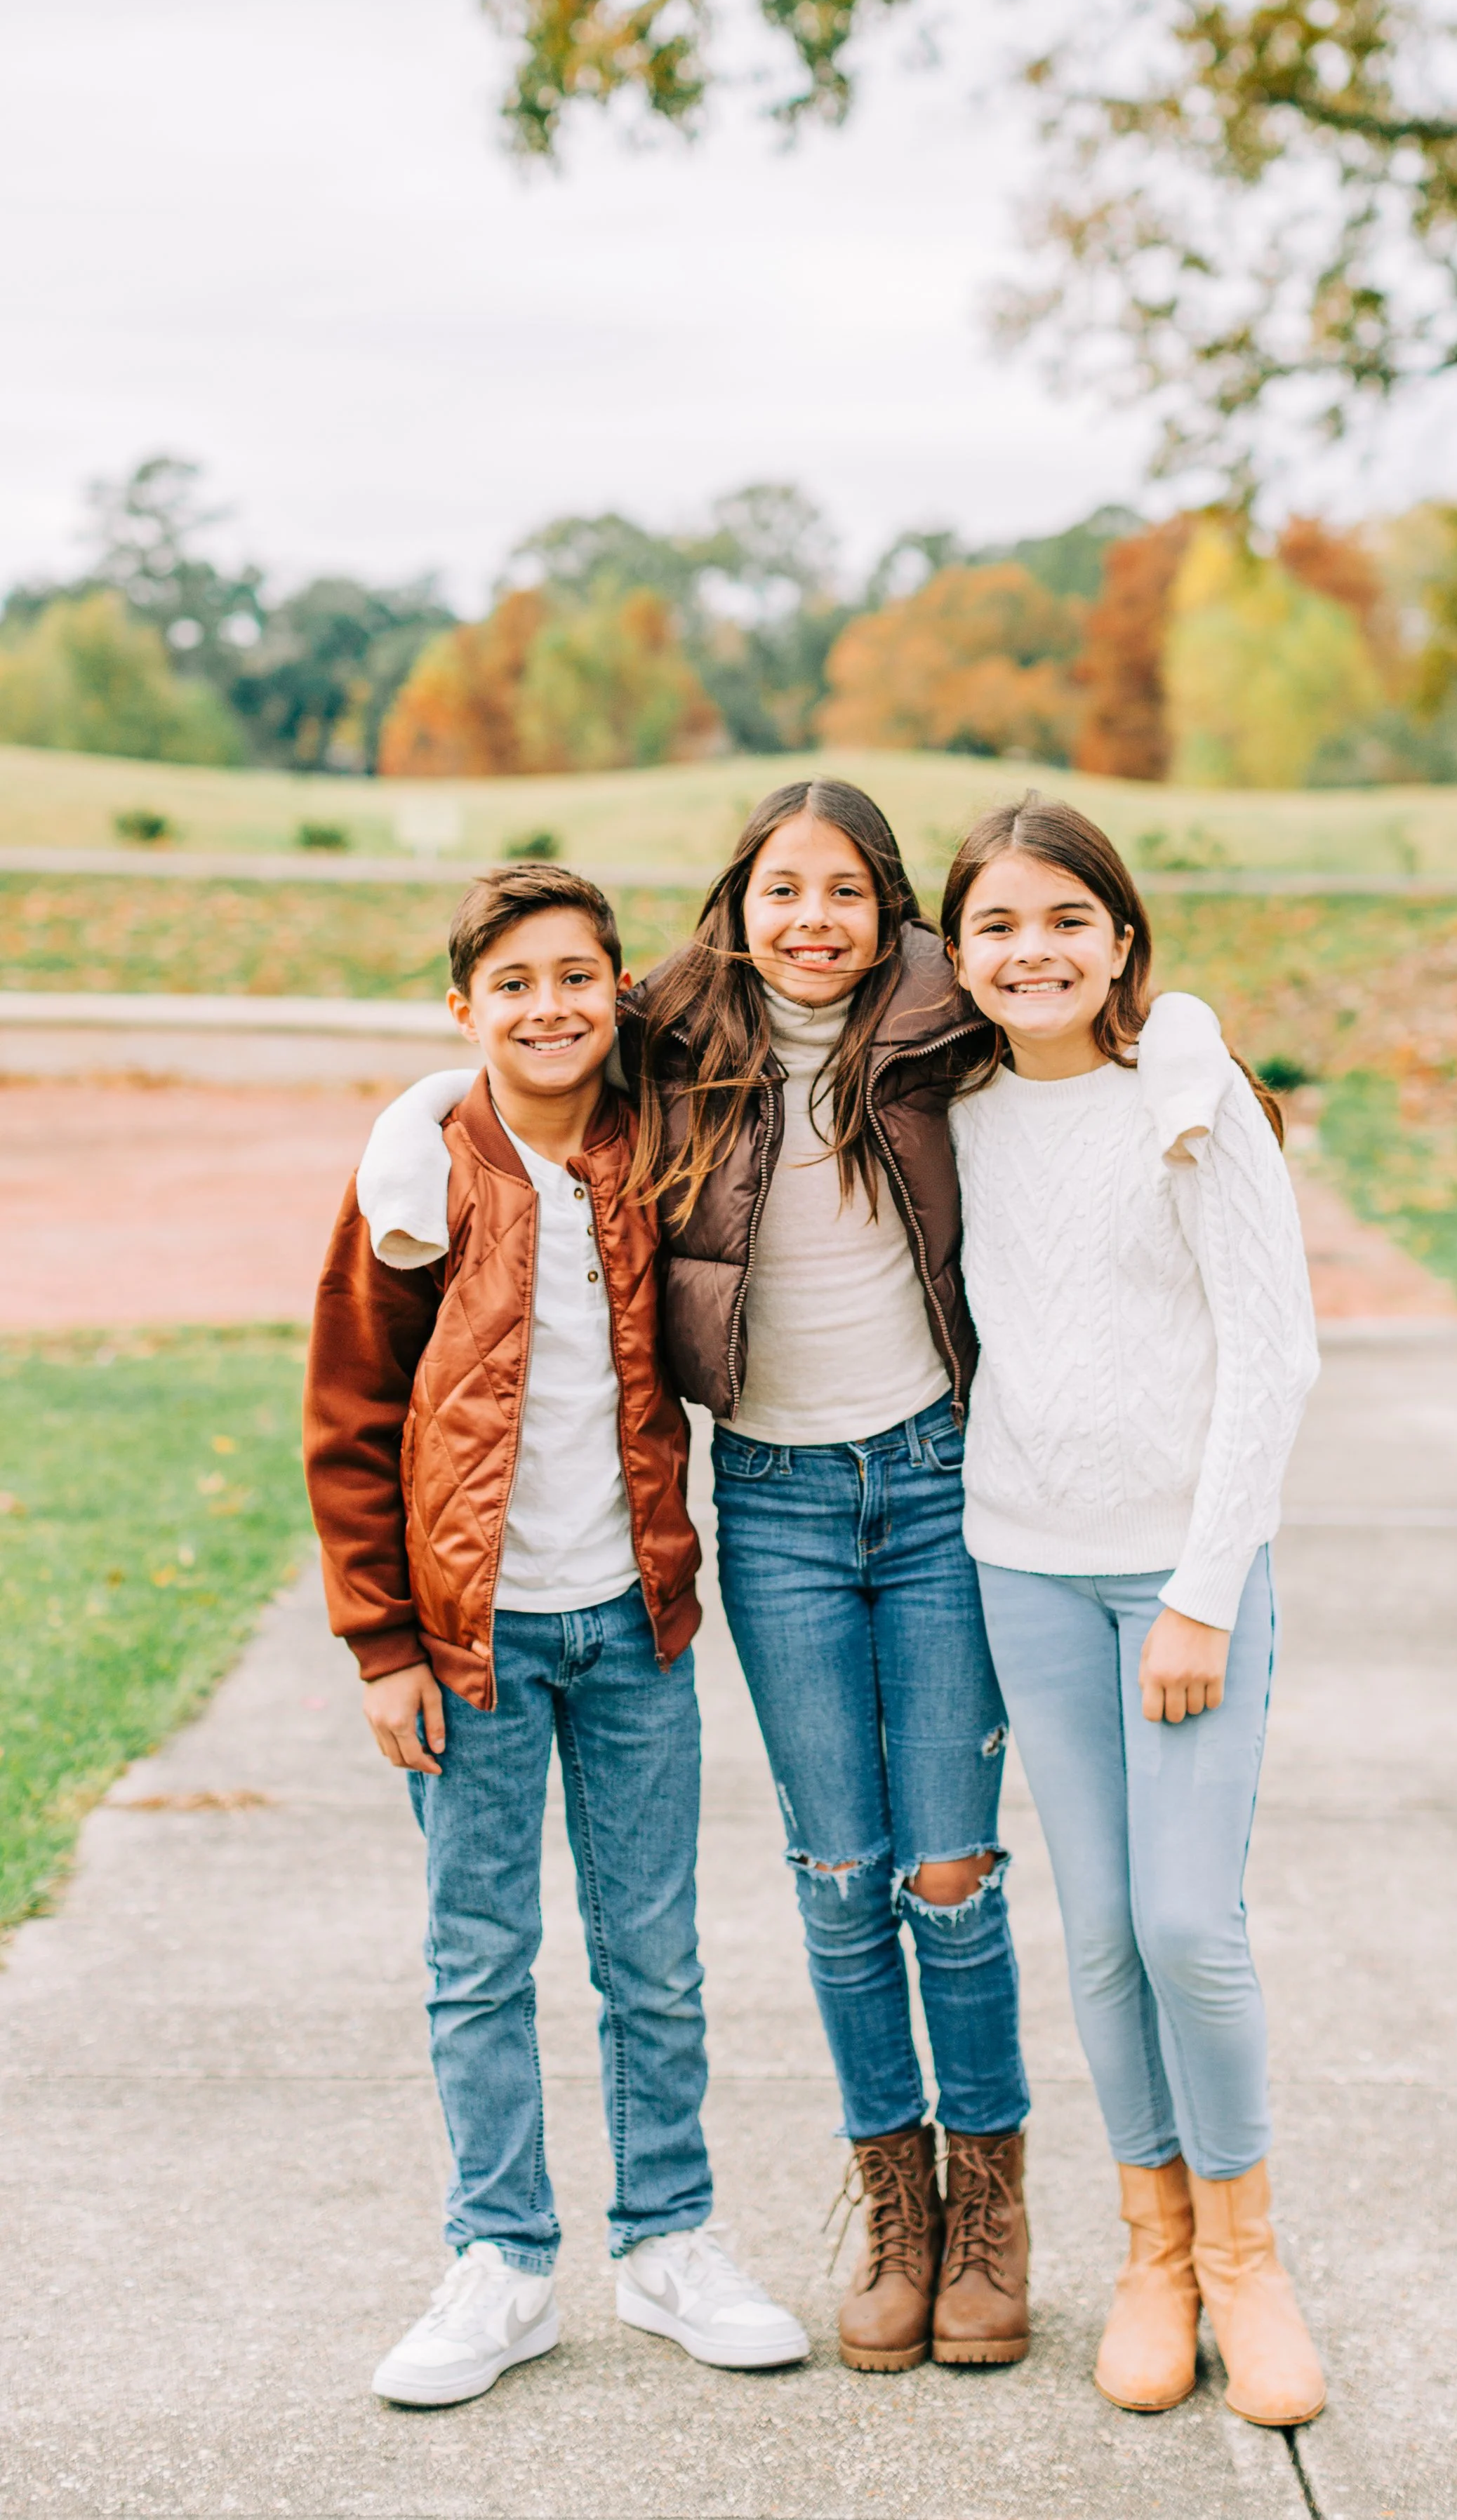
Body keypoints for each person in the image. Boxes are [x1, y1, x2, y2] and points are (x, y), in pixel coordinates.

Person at [355, 785, 1033, 2376]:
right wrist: (411, 1114)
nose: (812, 920)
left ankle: (976, 2210)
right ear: (729, 908)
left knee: (941, 1873)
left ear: (892, 913)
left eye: (846, 893)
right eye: (779, 890)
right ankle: (867, 2211)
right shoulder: (673, 1036)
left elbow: (1098, 1002)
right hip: (772, 1508)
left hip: (926, 1487)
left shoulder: (946, 1025)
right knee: (826, 1877)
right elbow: (525, 1023)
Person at [304, 861, 808, 2409]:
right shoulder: (418, 1172)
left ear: (620, 993)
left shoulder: (651, 1143)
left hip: (633, 1623)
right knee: (478, 1957)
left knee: (653, 1956)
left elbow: (769, 982)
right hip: (470, 1646)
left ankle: (668, 2240)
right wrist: (380, 1644)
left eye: (579, 977)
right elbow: (349, 1412)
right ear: (462, 1009)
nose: (550, 1007)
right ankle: (501, 2262)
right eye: (512, 983)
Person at [939, 796, 1326, 2429]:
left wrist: (1197, 1593)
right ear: (951, 956)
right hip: (1018, 1560)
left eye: (1063, 922)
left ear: (1118, 939)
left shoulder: (1191, 1098)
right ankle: (1150, 2253)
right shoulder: (945, 1108)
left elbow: (1274, 1354)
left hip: (1180, 1585)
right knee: (1096, 1931)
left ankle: (1247, 2260)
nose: (1030, 953)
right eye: (995, 928)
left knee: (1187, 1924)